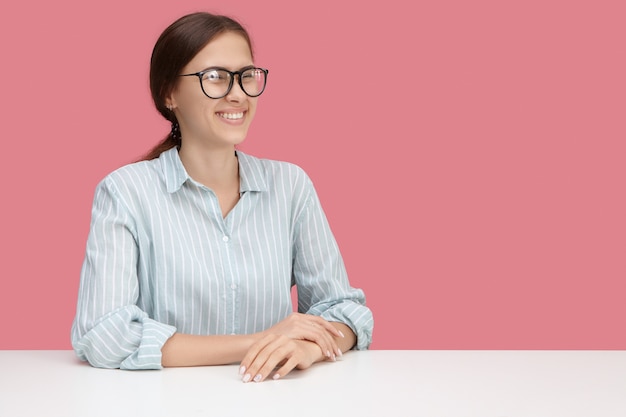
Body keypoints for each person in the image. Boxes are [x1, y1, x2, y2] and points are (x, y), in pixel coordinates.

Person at [70, 11, 373, 383]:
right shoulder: (125, 193)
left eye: (246, 76)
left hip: (277, 400)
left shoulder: (291, 186)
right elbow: (103, 334)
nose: (238, 94)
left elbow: (346, 312)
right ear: (169, 93)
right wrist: (260, 341)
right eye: (214, 77)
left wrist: (307, 347)